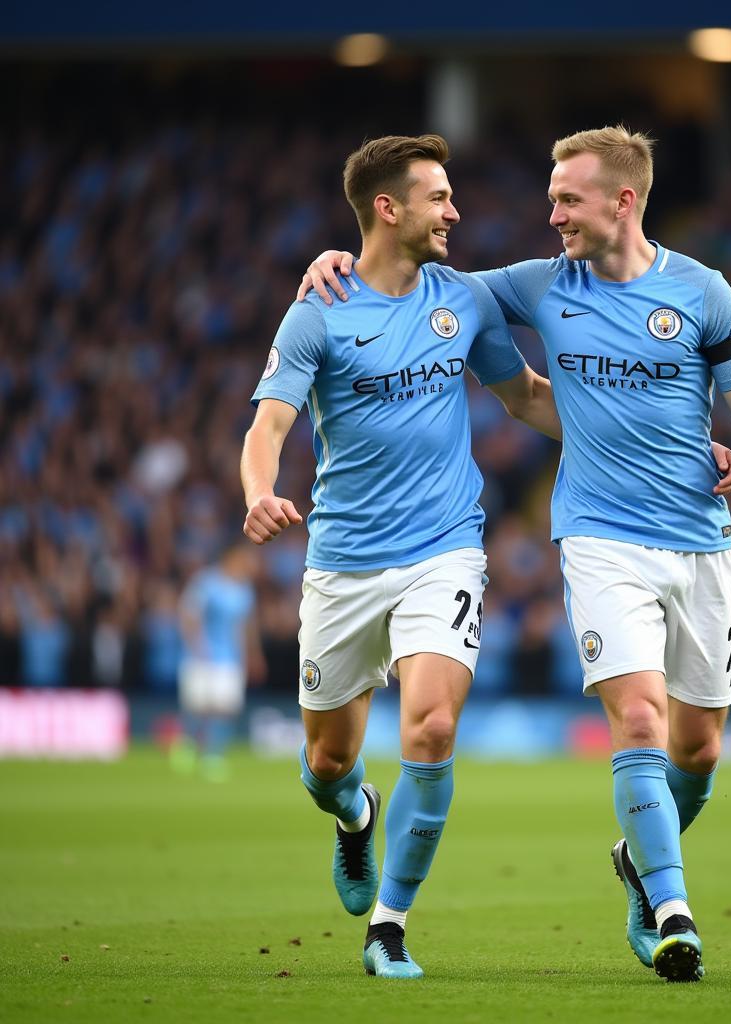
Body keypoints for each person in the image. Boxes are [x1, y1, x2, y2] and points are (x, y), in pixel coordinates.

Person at [300, 125, 731, 983]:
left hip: (699, 540)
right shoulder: (531, 286)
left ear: (622, 201)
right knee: (639, 719)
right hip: (599, 538)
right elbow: (409, 276)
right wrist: (333, 260)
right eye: (552, 195)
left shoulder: (703, 291)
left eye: (568, 198)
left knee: (702, 752)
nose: (551, 212)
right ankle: (672, 910)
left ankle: (637, 856)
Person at [241, 134, 569, 980]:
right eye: (439, 197)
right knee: (326, 765)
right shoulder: (317, 309)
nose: (455, 211)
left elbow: (526, 396)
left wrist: (658, 446)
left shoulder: (464, 297)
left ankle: (388, 926)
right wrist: (259, 492)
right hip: (344, 562)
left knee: (429, 725)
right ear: (389, 209)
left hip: (444, 551)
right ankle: (354, 816)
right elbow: (267, 425)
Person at [175, 543, 264, 781]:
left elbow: (247, 626)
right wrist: (196, 644)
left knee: (225, 709)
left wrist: (253, 654)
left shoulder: (245, 590)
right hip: (202, 656)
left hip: (230, 659)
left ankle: (213, 755)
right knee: (198, 706)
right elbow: (189, 614)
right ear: (230, 557)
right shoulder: (206, 582)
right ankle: (188, 746)